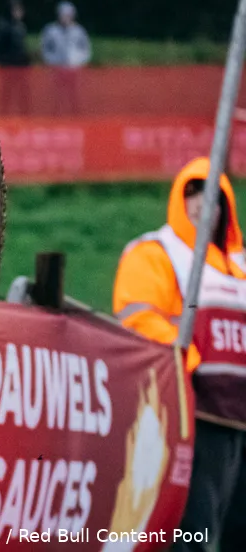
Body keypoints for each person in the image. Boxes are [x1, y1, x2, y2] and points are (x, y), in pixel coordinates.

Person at [112, 157, 246, 552]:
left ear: (226, 206)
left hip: (240, 418)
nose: (203, 203)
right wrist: (191, 363)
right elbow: (138, 315)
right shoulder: (157, 252)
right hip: (193, 414)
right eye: (193, 192)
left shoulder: (241, 265)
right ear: (178, 199)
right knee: (194, 531)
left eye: (213, 195)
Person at [39, 0, 90, 114]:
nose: (65, 18)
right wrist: (52, 62)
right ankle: (56, 116)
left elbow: (86, 50)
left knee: (74, 96)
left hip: (73, 70)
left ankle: (75, 116)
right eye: (63, 15)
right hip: (57, 70)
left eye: (68, 15)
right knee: (57, 96)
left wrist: (78, 62)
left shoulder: (79, 31)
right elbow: (44, 49)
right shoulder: (51, 30)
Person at [0, 0, 32, 116]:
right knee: (7, 94)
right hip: (8, 66)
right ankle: (6, 116)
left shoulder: (21, 26)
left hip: (21, 67)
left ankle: (24, 115)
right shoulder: (3, 26)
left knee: (23, 94)